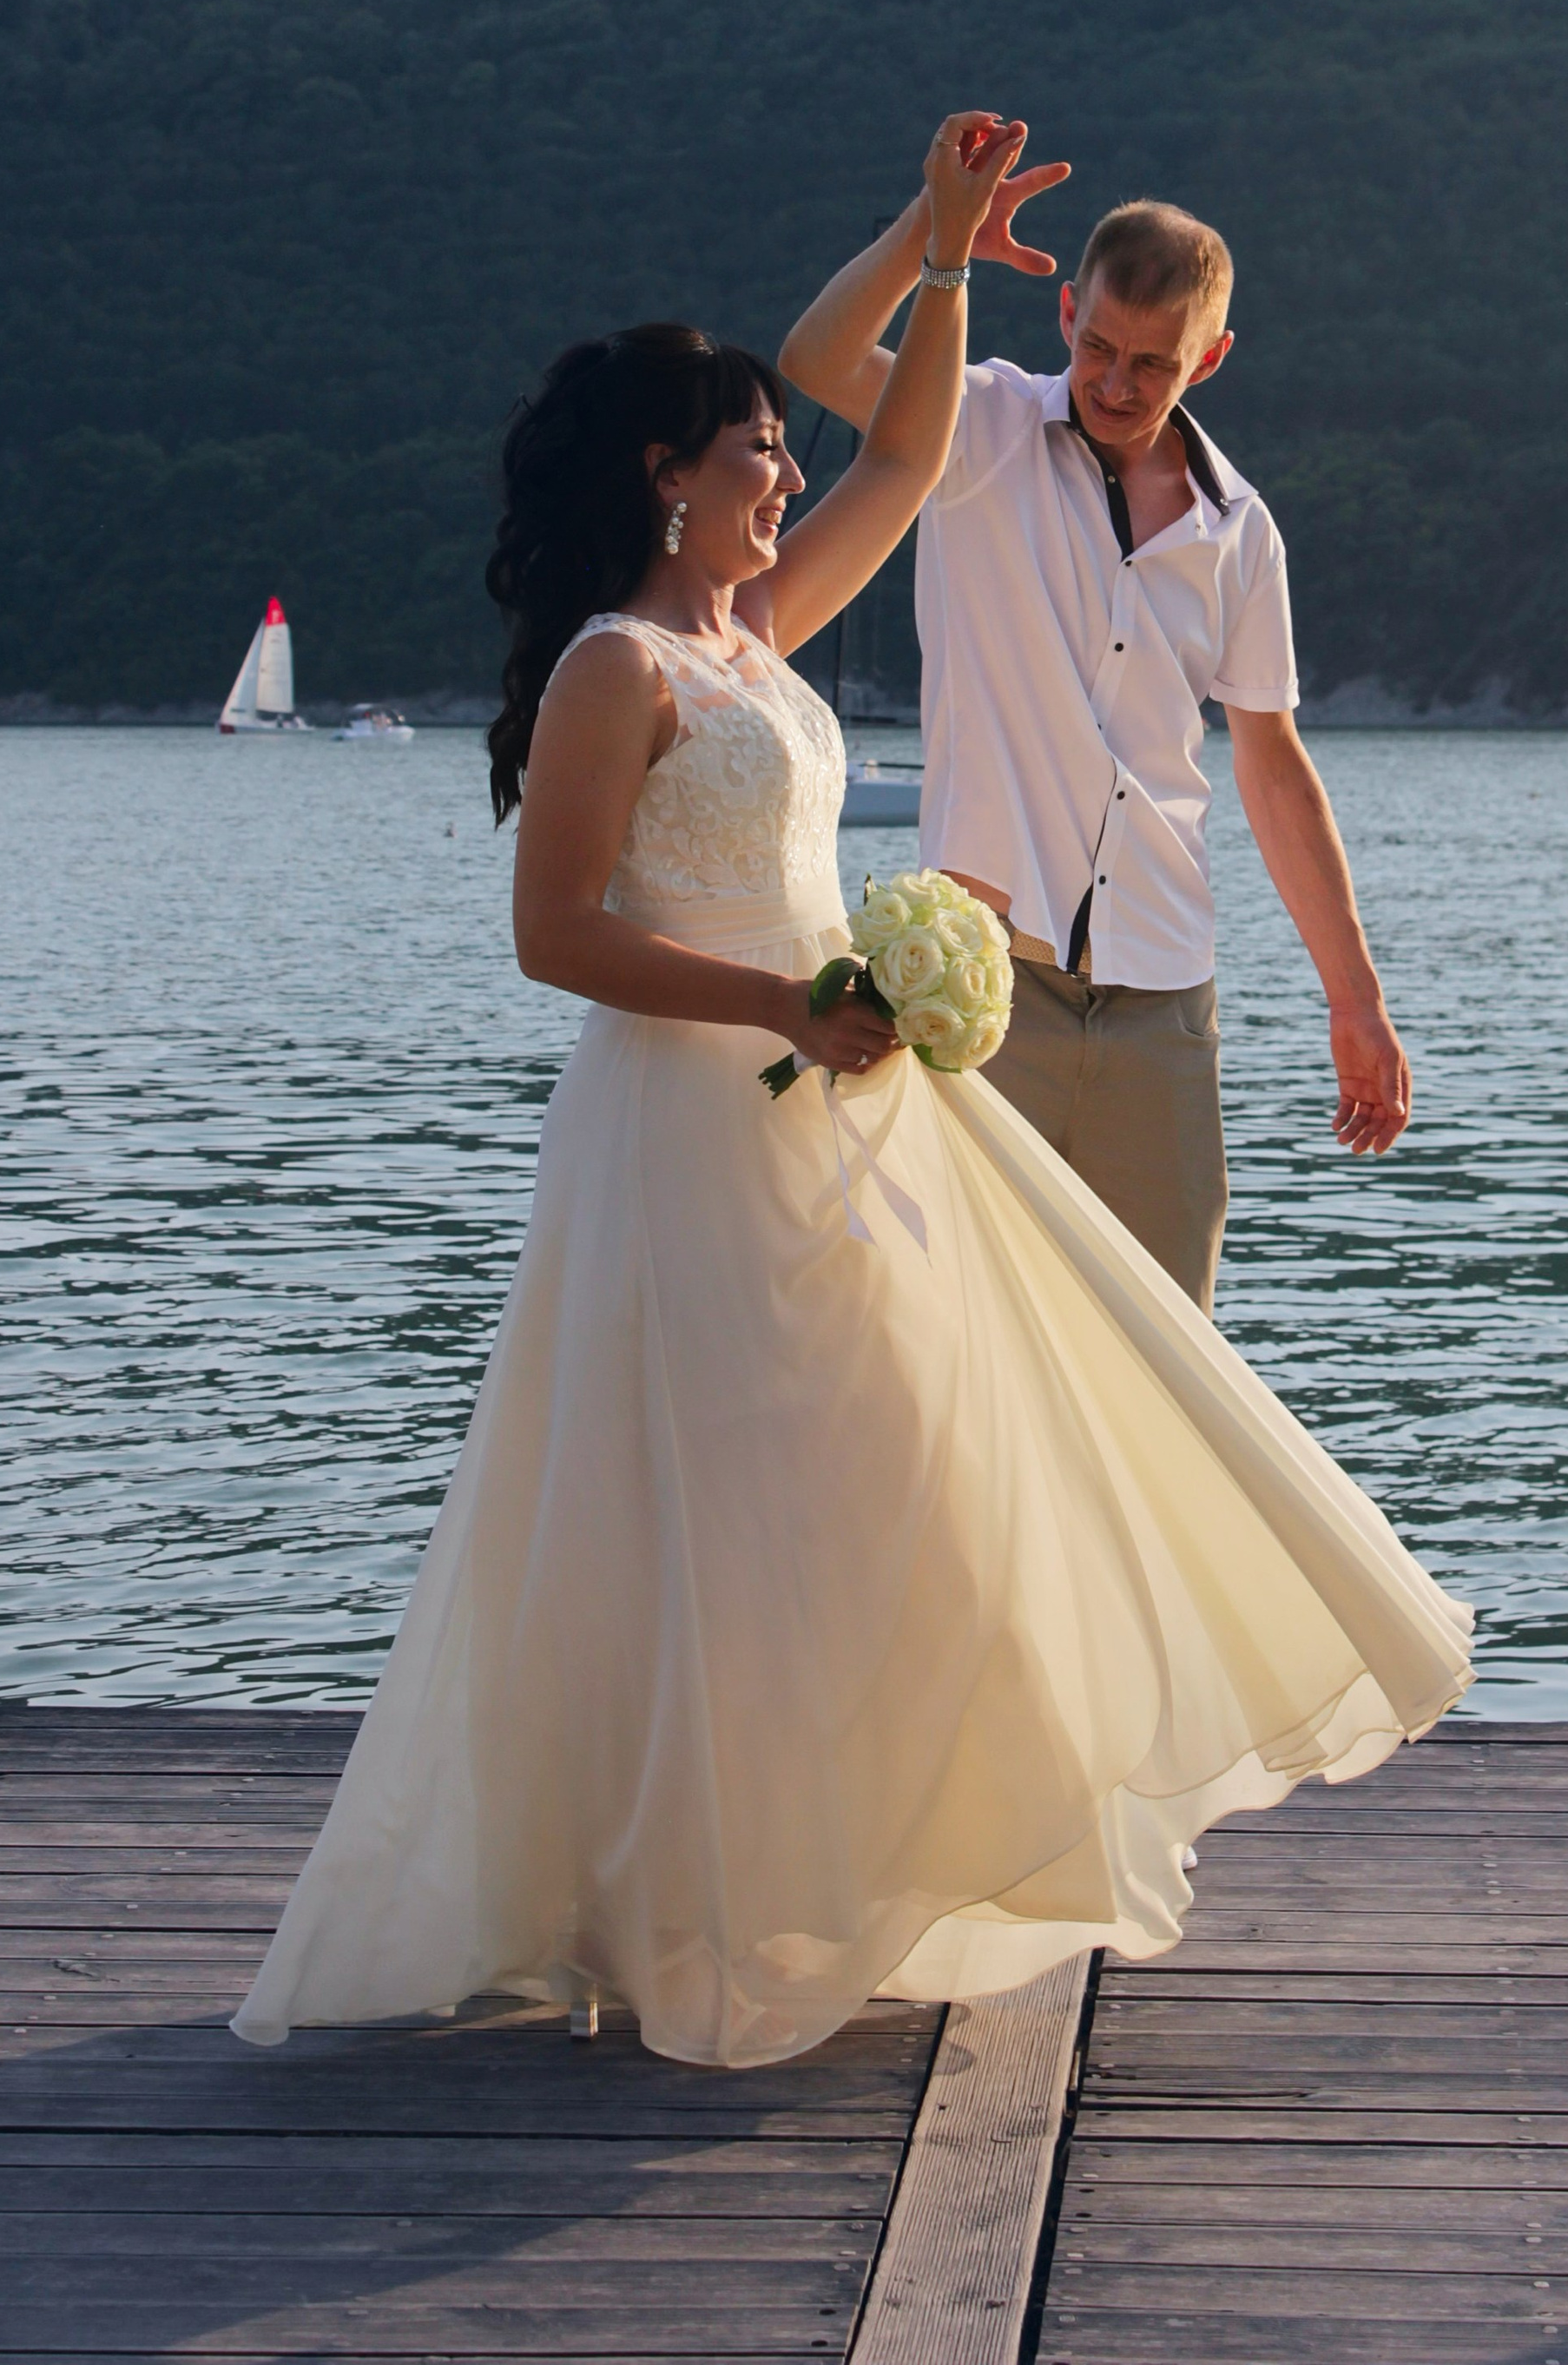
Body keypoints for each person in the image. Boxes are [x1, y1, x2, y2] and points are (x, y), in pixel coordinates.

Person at [231, 115, 1469, 2073]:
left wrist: (953, 239)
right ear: (668, 477)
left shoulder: (757, 635)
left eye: (772, 458)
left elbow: (894, 449)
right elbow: (551, 937)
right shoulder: (612, 670)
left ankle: (877, 1852)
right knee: (706, 1510)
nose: (784, 469)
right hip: (696, 1116)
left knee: (868, 1487)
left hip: (849, 1099)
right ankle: (668, 1895)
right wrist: (790, 1005)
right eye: (750, 455)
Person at [780, 150, 1408, 1314]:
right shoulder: (975, 426)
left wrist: (1353, 997)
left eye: (1153, 365)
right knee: (956, 1344)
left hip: (1166, 1001)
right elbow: (815, 358)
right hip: (982, 989)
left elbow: (1273, 767)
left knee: (1170, 1359)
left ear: (1209, 359)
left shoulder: (1241, 533)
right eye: (1098, 348)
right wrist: (939, 222)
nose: (1114, 383)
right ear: (1067, 311)